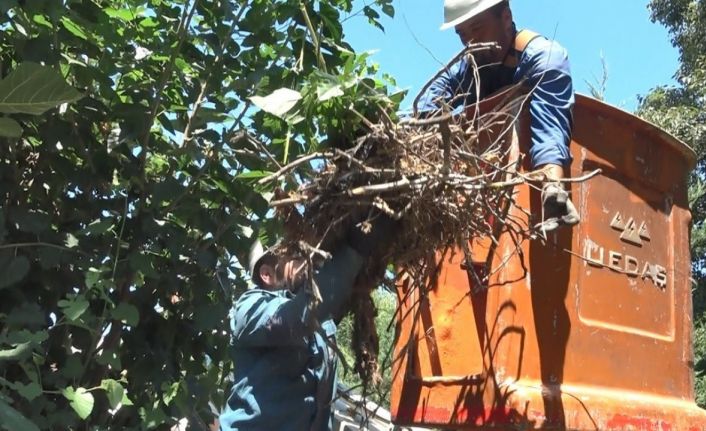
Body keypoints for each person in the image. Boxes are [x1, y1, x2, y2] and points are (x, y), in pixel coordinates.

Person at [219, 218, 393, 430]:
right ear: (267, 274)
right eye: (295, 254)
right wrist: (354, 250)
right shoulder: (249, 308)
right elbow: (297, 317)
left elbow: (335, 290)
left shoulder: (322, 323)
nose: (307, 257)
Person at [419, 0, 579, 232]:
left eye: (476, 29)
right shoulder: (468, 66)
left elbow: (550, 117)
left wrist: (552, 183)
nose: (469, 42)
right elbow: (431, 99)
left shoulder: (543, 56)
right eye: (461, 34)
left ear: (505, 17)